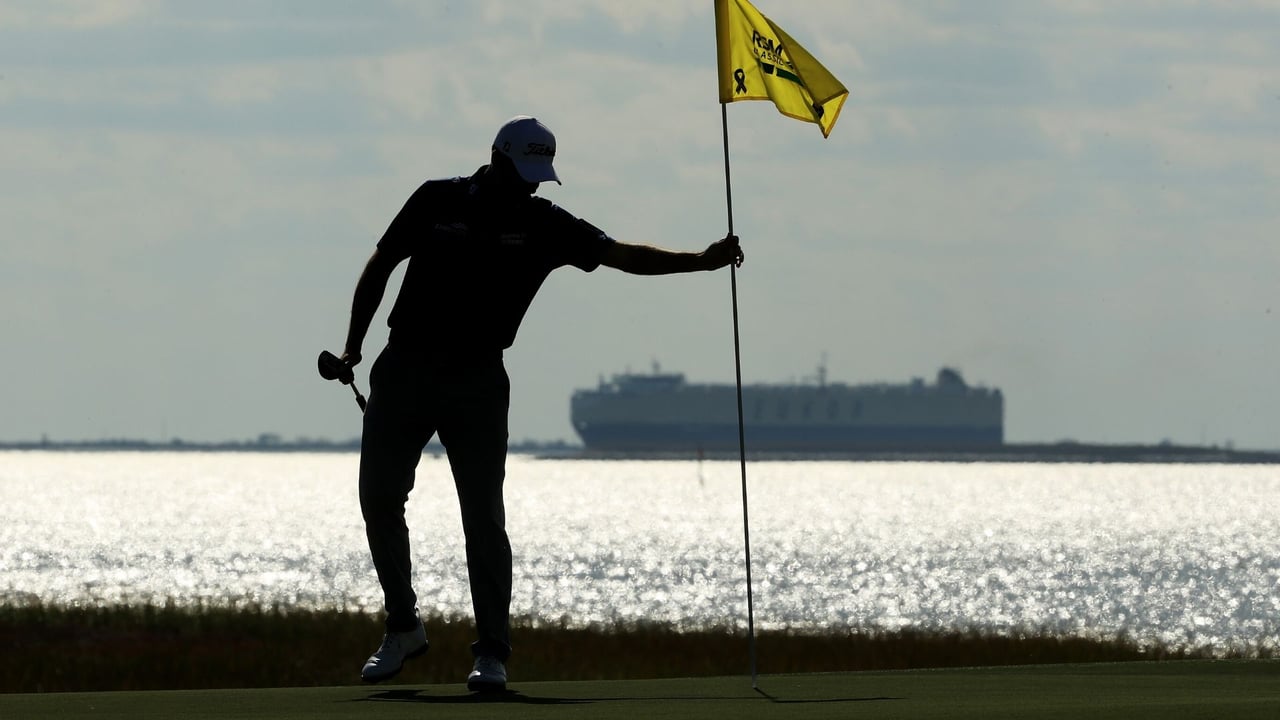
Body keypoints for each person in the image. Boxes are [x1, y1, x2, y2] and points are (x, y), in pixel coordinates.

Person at [335, 115, 744, 692]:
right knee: (378, 498)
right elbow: (381, 264)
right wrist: (353, 348)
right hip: (403, 367)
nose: (530, 185)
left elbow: (623, 255)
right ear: (497, 159)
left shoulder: (544, 223)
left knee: (483, 517)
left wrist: (699, 261)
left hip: (477, 380)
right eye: (524, 172)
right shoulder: (436, 199)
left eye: (538, 175)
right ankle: (403, 628)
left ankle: (492, 653)